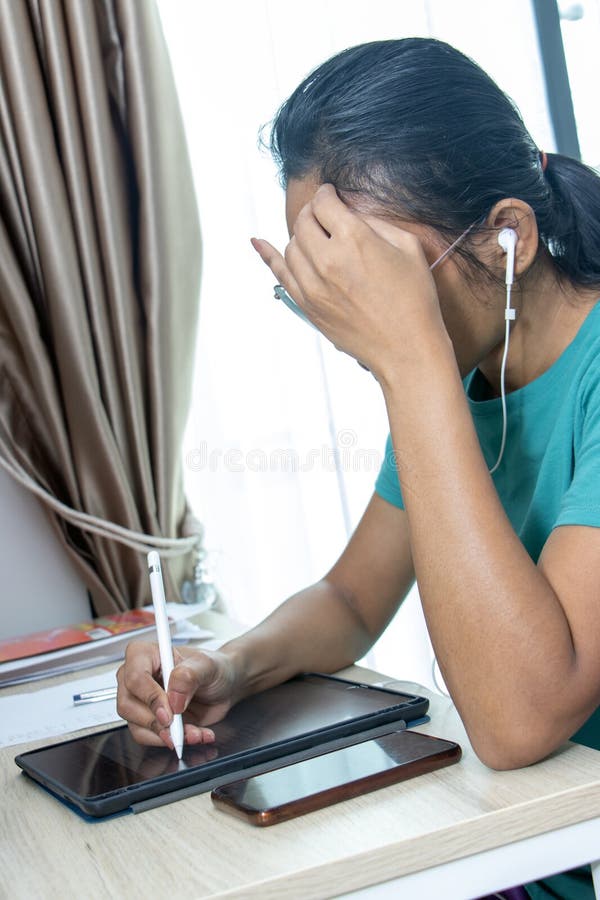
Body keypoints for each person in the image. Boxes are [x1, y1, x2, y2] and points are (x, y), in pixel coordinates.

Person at [117, 39, 600, 899]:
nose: (351, 325)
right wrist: (226, 667)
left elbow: (522, 717)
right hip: (528, 850)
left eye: (376, 282)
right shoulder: (462, 373)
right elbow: (349, 600)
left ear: (508, 238)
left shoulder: (450, 375)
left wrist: (411, 365)